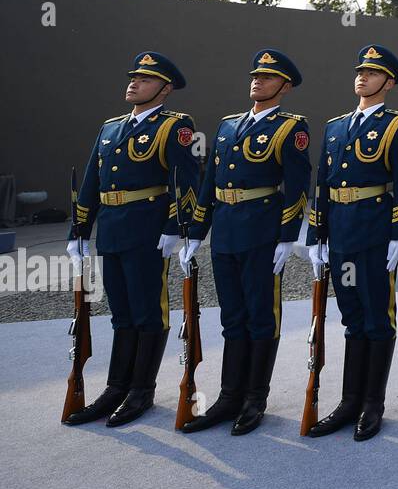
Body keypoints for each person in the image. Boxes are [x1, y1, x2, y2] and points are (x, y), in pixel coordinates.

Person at [64, 52, 200, 427]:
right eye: (133, 77)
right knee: (121, 314)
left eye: (144, 79)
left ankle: (142, 390)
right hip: (112, 229)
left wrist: (176, 228)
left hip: (147, 232)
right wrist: (78, 231)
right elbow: (90, 182)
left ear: (165, 88)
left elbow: (187, 180)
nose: (134, 83)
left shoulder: (175, 126)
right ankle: (115, 388)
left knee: (147, 312)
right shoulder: (110, 127)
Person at [182, 49, 311, 436]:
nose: (258, 81)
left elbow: (298, 187)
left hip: (261, 231)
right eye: (255, 75)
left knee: (260, 317)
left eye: (268, 77)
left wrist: (288, 238)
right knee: (231, 317)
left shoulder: (292, 128)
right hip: (225, 230)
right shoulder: (226, 126)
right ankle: (228, 396)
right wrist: (196, 232)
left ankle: (255, 398)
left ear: (284, 86)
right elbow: (209, 183)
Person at [304, 44, 398, 441]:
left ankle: (372, 403)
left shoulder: (397, 124)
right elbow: (322, 182)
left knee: (376, 318)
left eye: (371, 73)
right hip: (341, 234)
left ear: (388, 82)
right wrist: (316, 233)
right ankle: (350, 400)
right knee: (351, 317)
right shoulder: (335, 126)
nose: (362, 77)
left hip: (373, 232)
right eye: (360, 72)